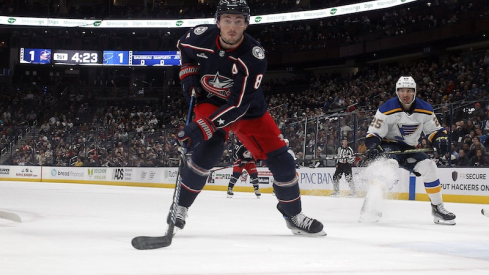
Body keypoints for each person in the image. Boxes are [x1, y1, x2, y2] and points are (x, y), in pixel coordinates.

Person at [173, 0, 325, 236]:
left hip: (249, 110)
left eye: (238, 21)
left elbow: (238, 104)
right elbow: (184, 49)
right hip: (210, 102)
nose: (231, 27)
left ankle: (293, 215)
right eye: (227, 20)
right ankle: (180, 207)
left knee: (283, 163)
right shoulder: (198, 36)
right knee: (207, 152)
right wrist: (189, 74)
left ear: (246, 24)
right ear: (218, 22)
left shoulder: (253, 56)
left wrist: (203, 126)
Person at [364, 76, 456, 225]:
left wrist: (440, 138)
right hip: (389, 145)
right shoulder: (386, 109)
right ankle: (369, 207)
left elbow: (435, 131)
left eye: (409, 91)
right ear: (397, 92)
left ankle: (438, 209)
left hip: (409, 148)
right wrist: (373, 146)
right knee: (389, 165)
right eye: (401, 91)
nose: (405, 94)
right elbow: (373, 134)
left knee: (430, 167)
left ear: (414, 92)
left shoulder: (425, 109)